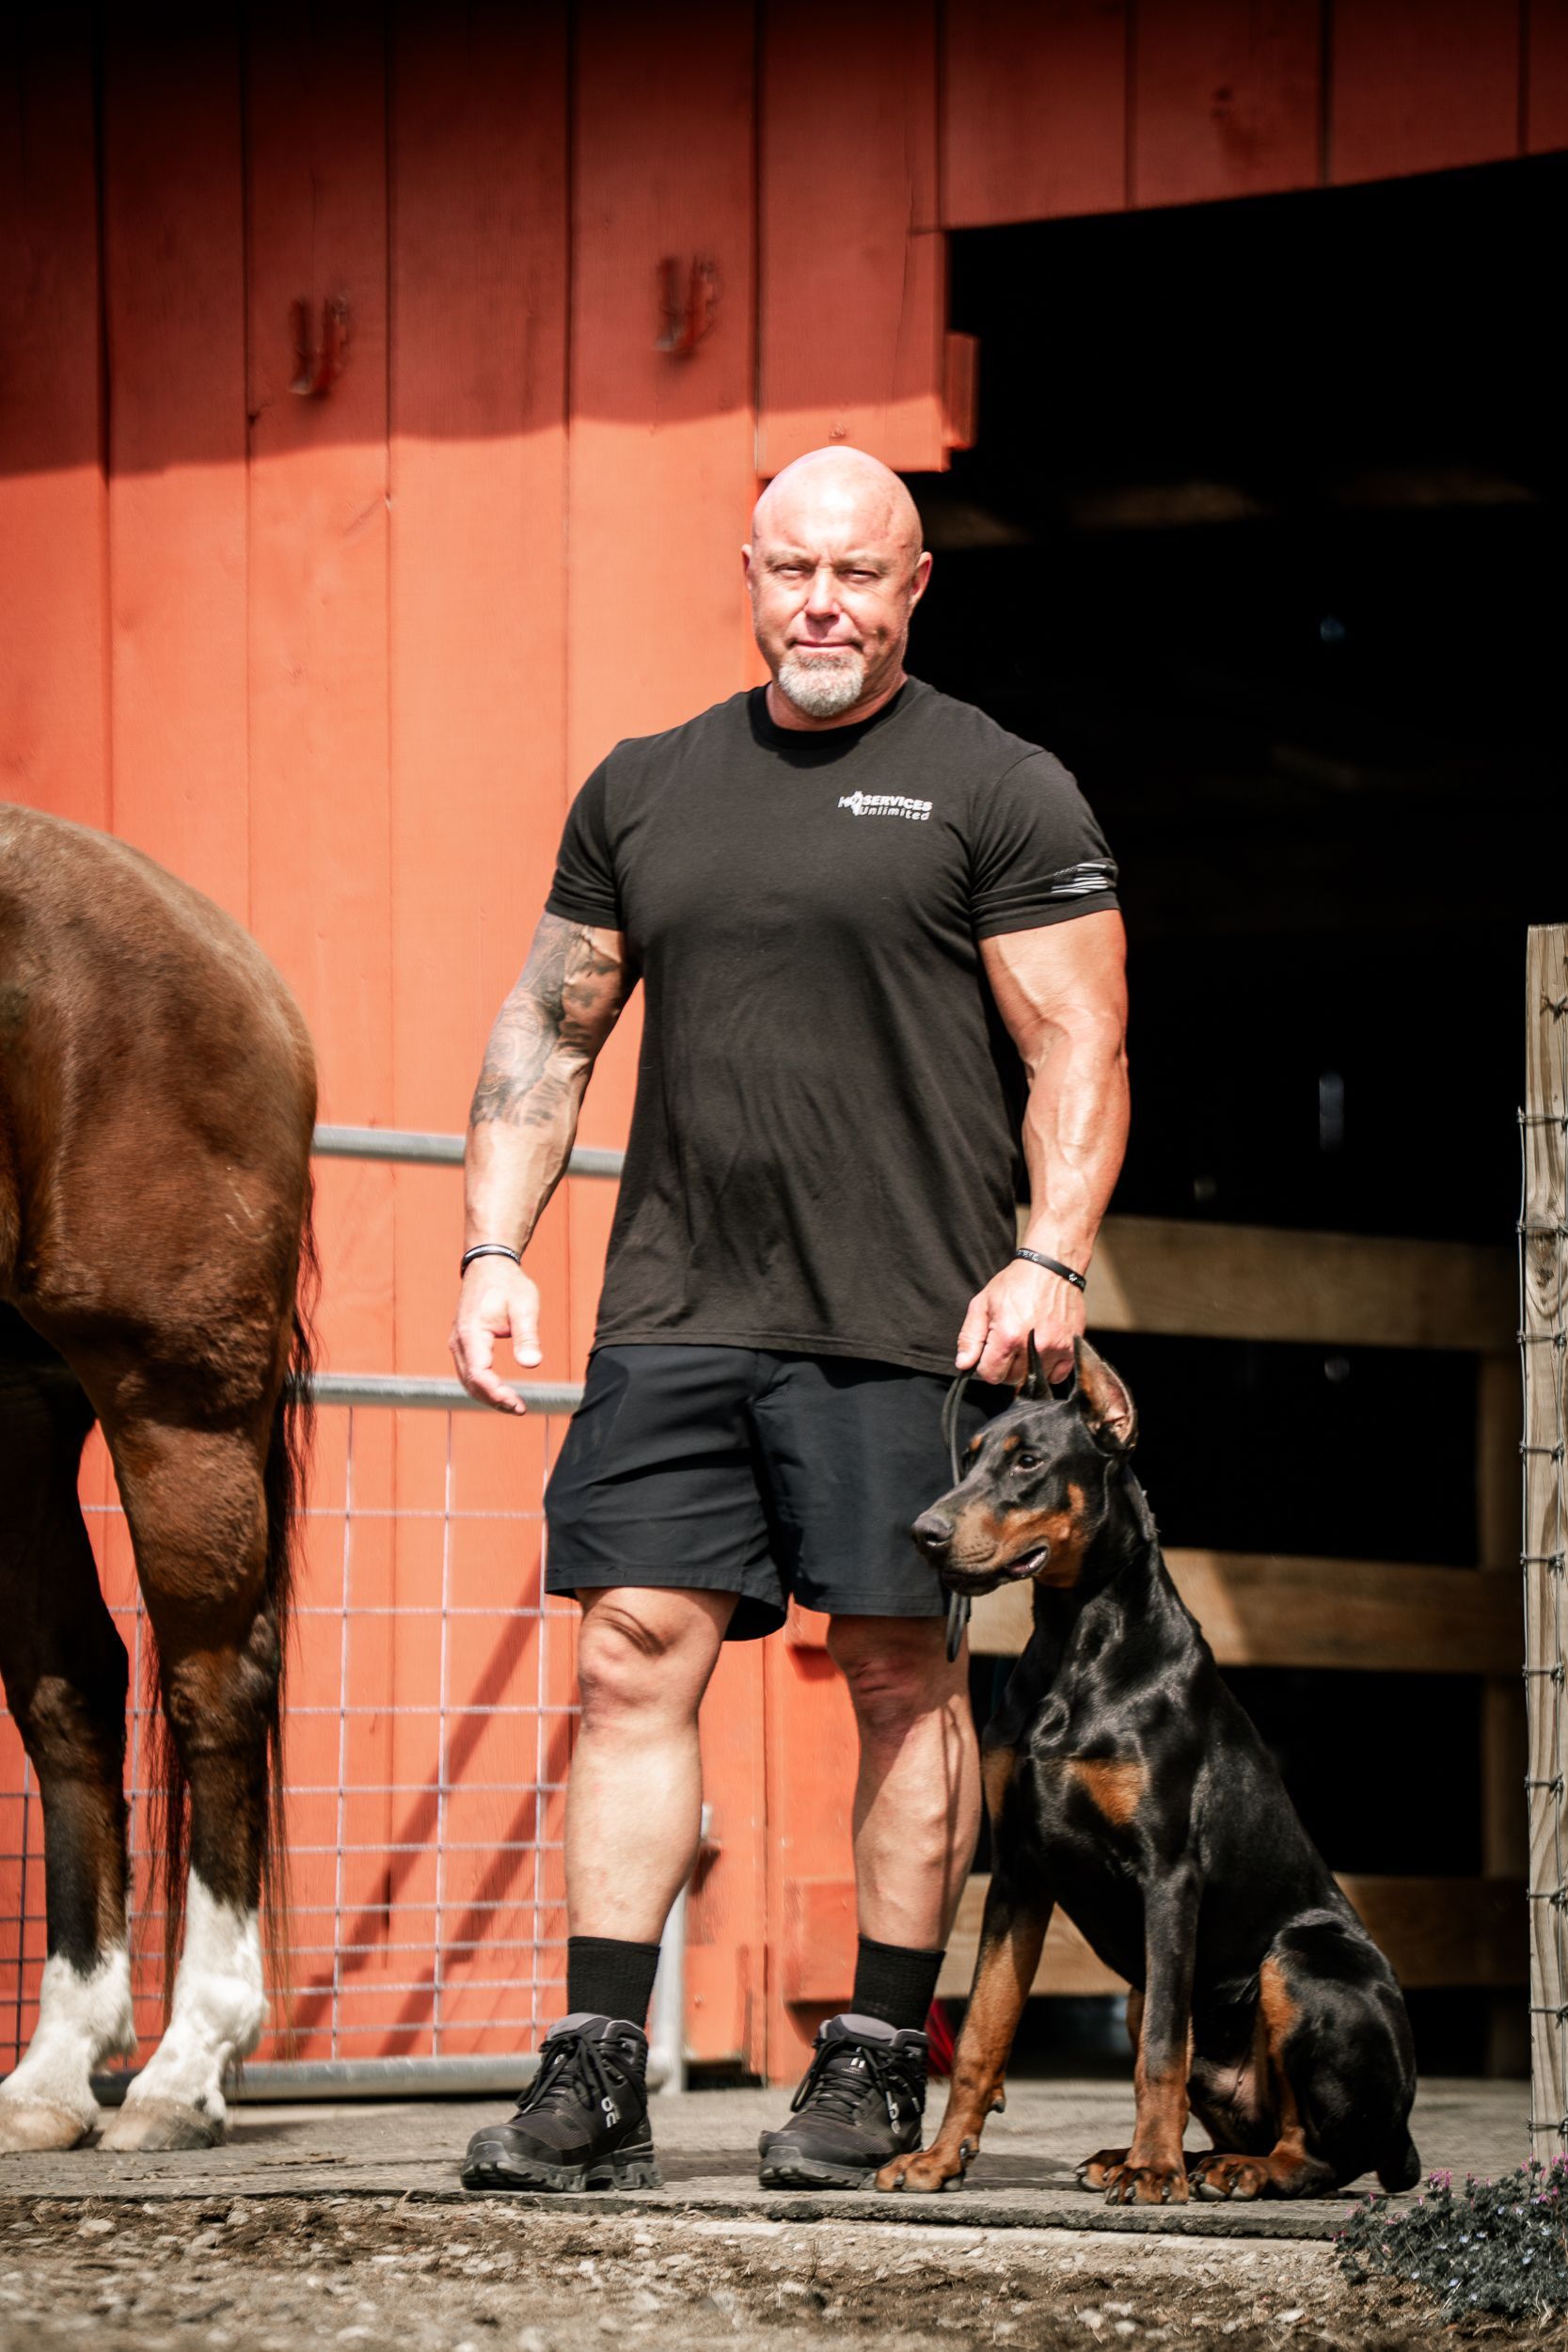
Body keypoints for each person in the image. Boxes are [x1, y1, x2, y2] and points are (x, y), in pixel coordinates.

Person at [451, 447, 1129, 2194]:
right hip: (677, 1310)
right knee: (626, 1664)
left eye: (860, 573)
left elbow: (1079, 1045)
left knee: (900, 1677)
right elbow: (552, 1027)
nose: (821, 603)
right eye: (792, 570)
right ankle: (597, 2066)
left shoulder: (1003, 786)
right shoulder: (650, 784)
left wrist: (1051, 1258)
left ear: (915, 587)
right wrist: (493, 1246)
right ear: (747, 574)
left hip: (912, 1321)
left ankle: (876, 2064)